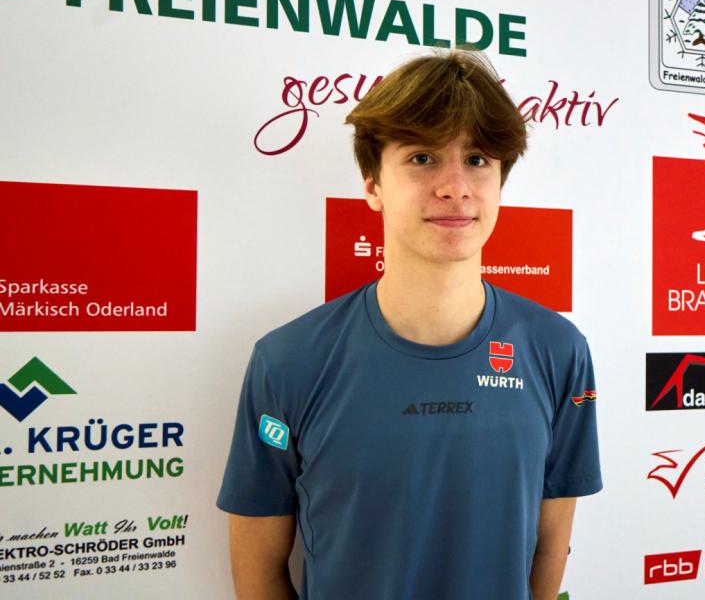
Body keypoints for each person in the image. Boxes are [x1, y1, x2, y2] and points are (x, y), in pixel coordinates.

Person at [216, 50, 602, 600]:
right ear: (373, 185)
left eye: (477, 159)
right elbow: (258, 573)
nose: (455, 186)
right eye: (422, 158)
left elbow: (549, 548)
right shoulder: (288, 361)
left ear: (500, 182)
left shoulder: (559, 351)